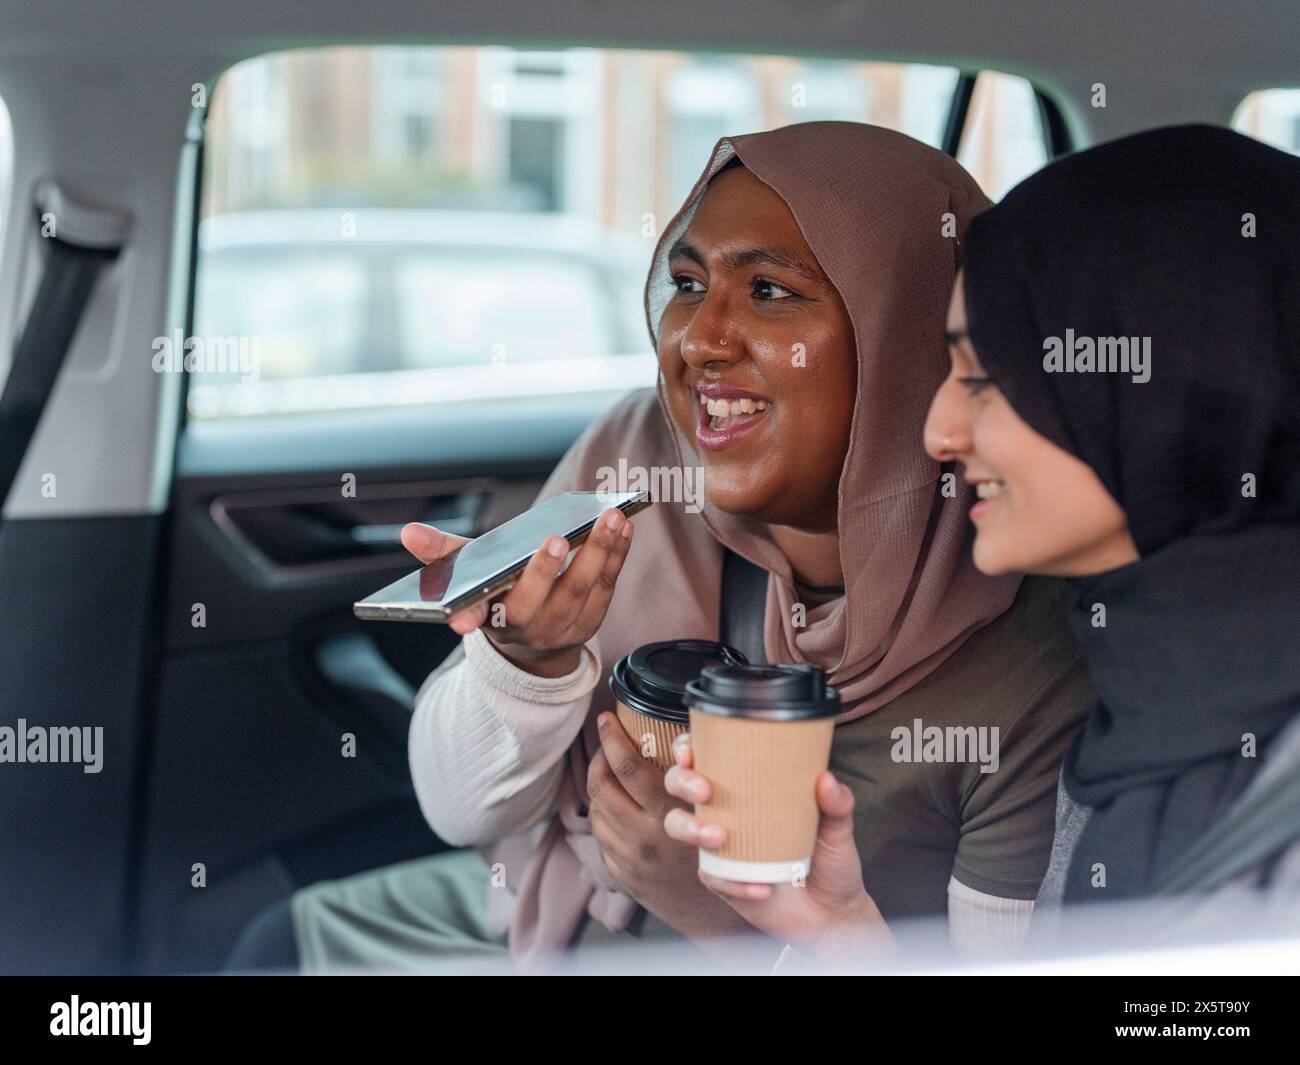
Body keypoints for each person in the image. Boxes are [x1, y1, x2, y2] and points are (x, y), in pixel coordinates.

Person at [227, 121, 1092, 975]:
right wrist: (527, 662)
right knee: (278, 943)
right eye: (686, 281)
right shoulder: (642, 464)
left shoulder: (1031, 663)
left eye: (769, 292)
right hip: (562, 904)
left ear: (906, 336)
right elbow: (461, 809)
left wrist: (718, 916)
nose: (698, 340)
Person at [664, 124, 1300, 967]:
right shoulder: (1146, 694)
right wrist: (843, 930)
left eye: (985, 380)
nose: (939, 431)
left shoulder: (1243, 764)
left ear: (1173, 377)